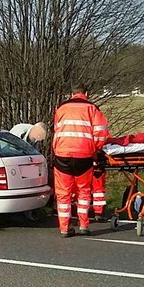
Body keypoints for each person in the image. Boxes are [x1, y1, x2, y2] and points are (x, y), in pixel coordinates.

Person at [52, 83, 109, 237]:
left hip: (62, 155)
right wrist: (96, 149)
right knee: (84, 191)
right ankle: (83, 225)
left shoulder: (61, 108)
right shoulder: (92, 108)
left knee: (63, 193)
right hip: (84, 155)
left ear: (72, 93)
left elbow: (57, 129)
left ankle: (64, 228)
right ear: (86, 93)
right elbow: (101, 132)